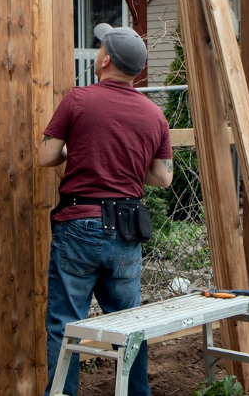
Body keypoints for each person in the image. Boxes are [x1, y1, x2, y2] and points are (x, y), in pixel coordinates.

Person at [37, 23, 173, 396]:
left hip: (79, 224)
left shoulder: (78, 100)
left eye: (100, 47)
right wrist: (127, 164)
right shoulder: (153, 114)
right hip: (127, 229)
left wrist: (79, 152)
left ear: (106, 59)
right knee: (130, 325)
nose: (97, 52)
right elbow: (163, 178)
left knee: (66, 325)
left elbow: (46, 155)